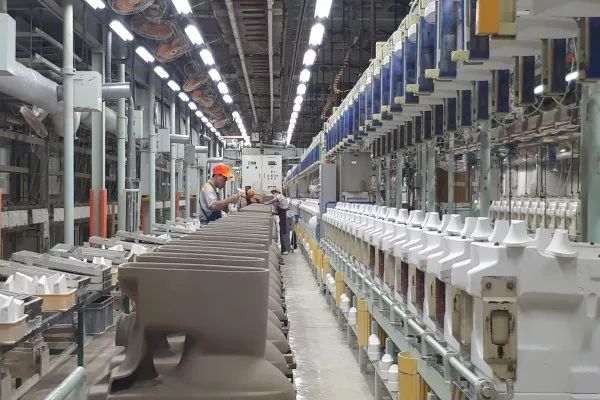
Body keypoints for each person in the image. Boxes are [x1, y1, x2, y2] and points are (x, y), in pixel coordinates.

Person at [265, 188, 291, 254]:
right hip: (283, 216)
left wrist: (267, 203)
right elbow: (278, 212)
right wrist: (272, 213)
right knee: (282, 232)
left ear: (276, 192)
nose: (273, 195)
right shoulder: (279, 202)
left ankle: (286, 250)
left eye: (274, 193)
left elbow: (275, 199)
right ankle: (284, 249)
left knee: (284, 233)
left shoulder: (280, 196)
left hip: (285, 216)